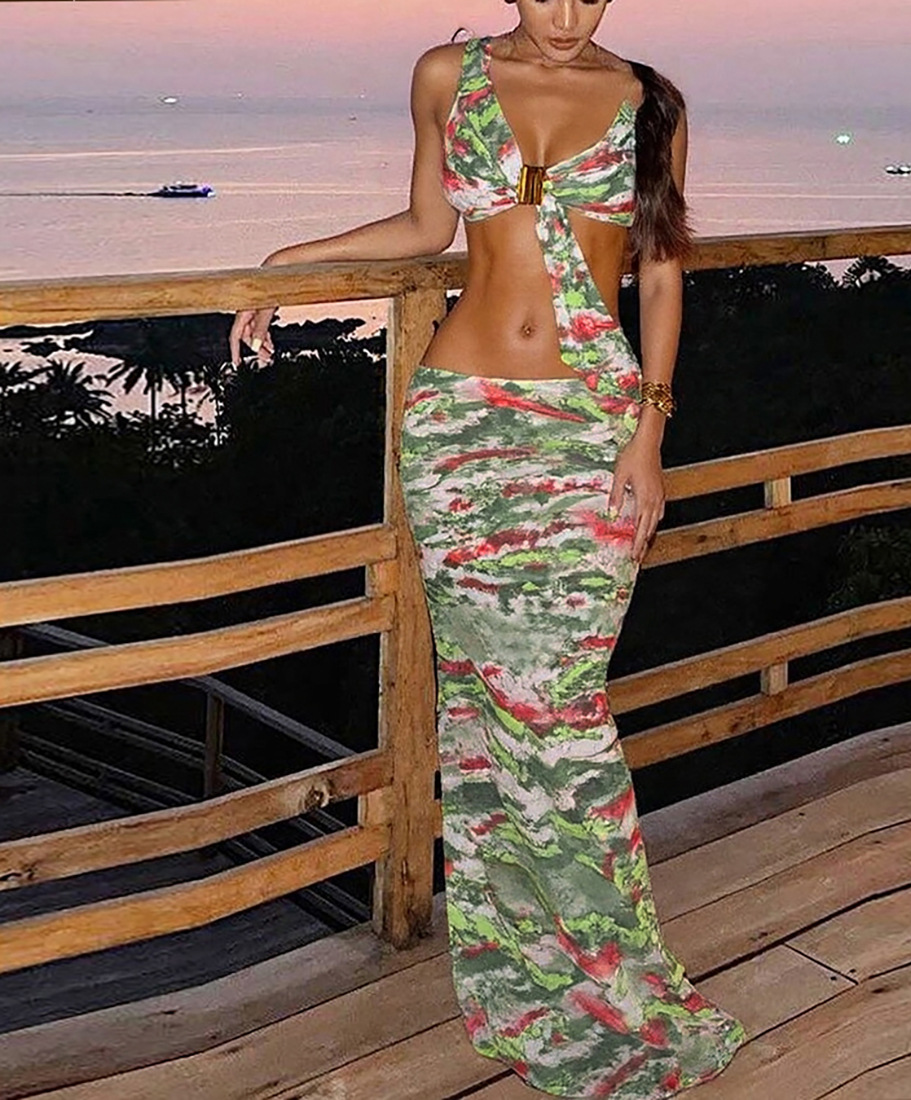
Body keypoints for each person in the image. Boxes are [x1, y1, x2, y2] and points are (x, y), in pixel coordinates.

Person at [230, 1, 746, 1095]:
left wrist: (650, 429)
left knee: (560, 706)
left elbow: (659, 272)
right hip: (460, 424)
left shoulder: (651, 102)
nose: (567, 14)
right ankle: (530, 974)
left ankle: (614, 979)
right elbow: (428, 227)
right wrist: (289, 259)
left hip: (592, 421)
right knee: (483, 706)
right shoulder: (445, 75)